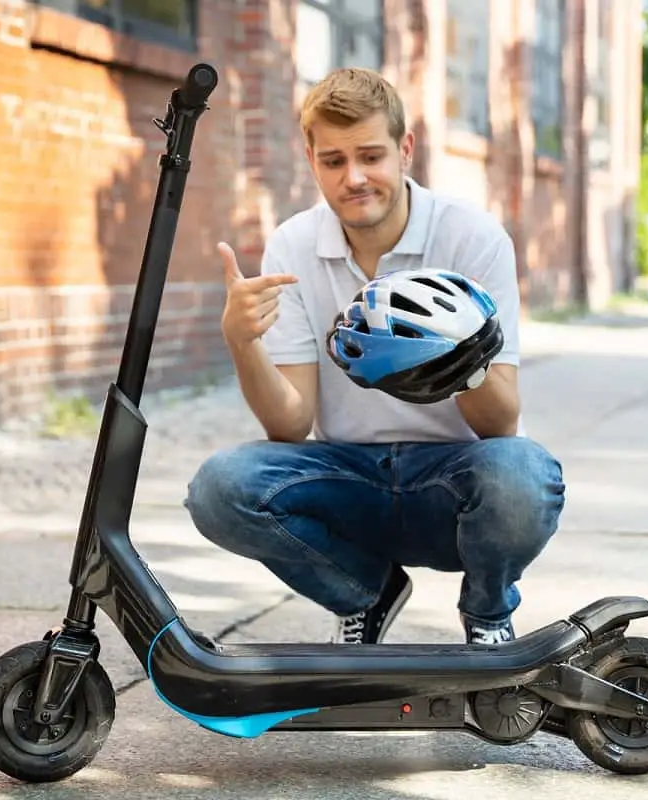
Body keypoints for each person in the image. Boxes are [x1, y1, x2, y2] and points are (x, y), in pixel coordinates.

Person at [184, 67, 565, 646]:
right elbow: (289, 424)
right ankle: (366, 590)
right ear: (311, 160)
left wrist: (455, 347)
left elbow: (500, 423)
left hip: (456, 479)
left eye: (370, 156)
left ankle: (488, 616)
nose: (354, 177)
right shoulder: (292, 245)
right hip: (349, 476)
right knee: (220, 487)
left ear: (404, 149)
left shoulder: (471, 239)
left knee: (524, 475)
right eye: (333, 161)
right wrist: (243, 342)